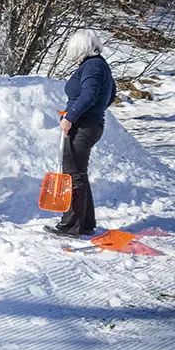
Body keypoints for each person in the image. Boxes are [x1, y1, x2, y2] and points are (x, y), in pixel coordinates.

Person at [47, 28, 115, 237]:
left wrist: (70, 117)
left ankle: (71, 225)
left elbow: (88, 95)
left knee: (72, 174)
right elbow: (111, 93)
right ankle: (86, 223)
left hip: (83, 126)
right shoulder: (100, 64)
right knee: (79, 173)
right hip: (90, 124)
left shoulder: (92, 66)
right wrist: (93, 112)